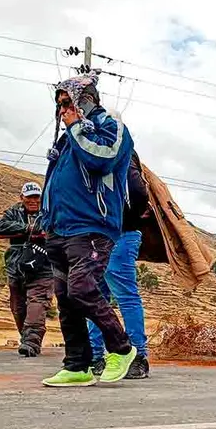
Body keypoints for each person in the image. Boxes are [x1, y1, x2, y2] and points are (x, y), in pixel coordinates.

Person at [39, 72, 136, 387]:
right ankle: (77, 365)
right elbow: (55, 183)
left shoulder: (112, 129)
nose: (62, 110)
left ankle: (122, 348)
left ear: (86, 100)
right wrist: (46, 218)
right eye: (59, 105)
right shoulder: (68, 139)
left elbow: (102, 159)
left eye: (67, 102)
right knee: (66, 297)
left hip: (92, 226)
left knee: (82, 288)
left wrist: (77, 126)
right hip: (60, 229)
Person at [89, 152, 151, 379]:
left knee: (106, 295)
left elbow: (136, 190)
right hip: (114, 231)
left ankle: (133, 356)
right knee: (102, 295)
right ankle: (102, 354)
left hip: (115, 231)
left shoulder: (112, 151)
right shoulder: (118, 151)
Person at [0, 181, 54, 357]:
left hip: (43, 267)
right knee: (18, 308)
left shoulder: (49, 213)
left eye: (36, 197)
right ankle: (27, 339)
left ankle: (31, 341)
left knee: (38, 302)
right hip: (16, 268)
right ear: (22, 198)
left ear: (41, 198)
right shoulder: (13, 212)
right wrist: (28, 229)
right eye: (29, 197)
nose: (33, 201)